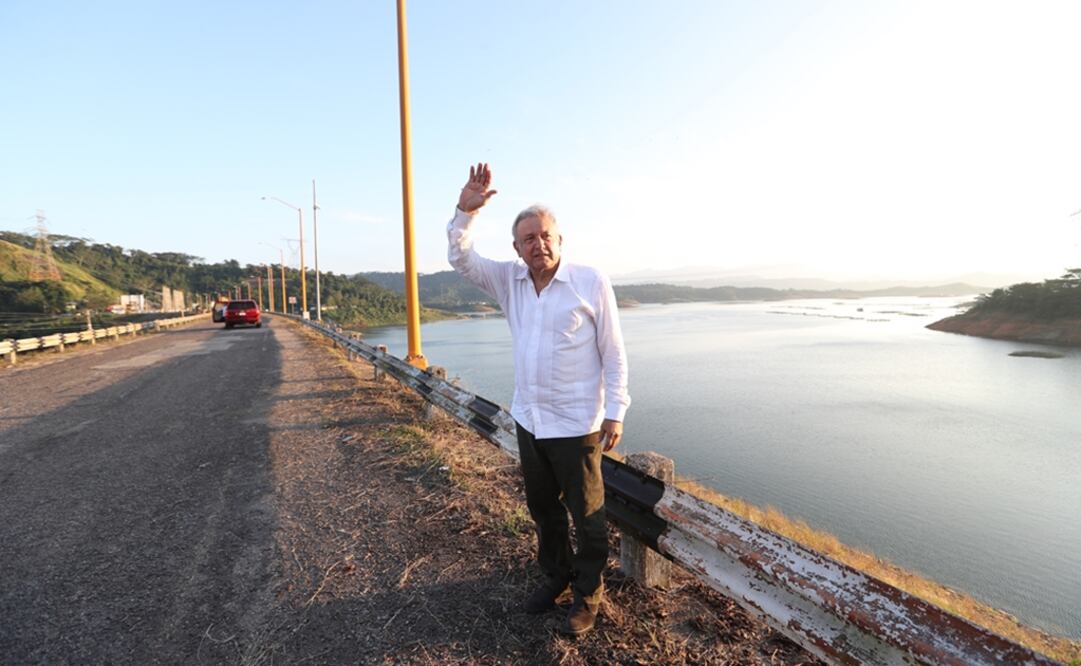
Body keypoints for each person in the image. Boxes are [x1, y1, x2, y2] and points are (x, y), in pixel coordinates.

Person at [446, 163, 630, 636]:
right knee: (543, 511)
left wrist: (616, 411)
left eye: (545, 235)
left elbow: (613, 351)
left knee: (588, 518)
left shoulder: (590, 282)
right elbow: (462, 261)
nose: (538, 244)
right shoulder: (509, 281)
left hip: (577, 426)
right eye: (528, 238)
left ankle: (589, 593)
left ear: (560, 240)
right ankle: (557, 578)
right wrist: (465, 213)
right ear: (517, 248)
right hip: (530, 421)